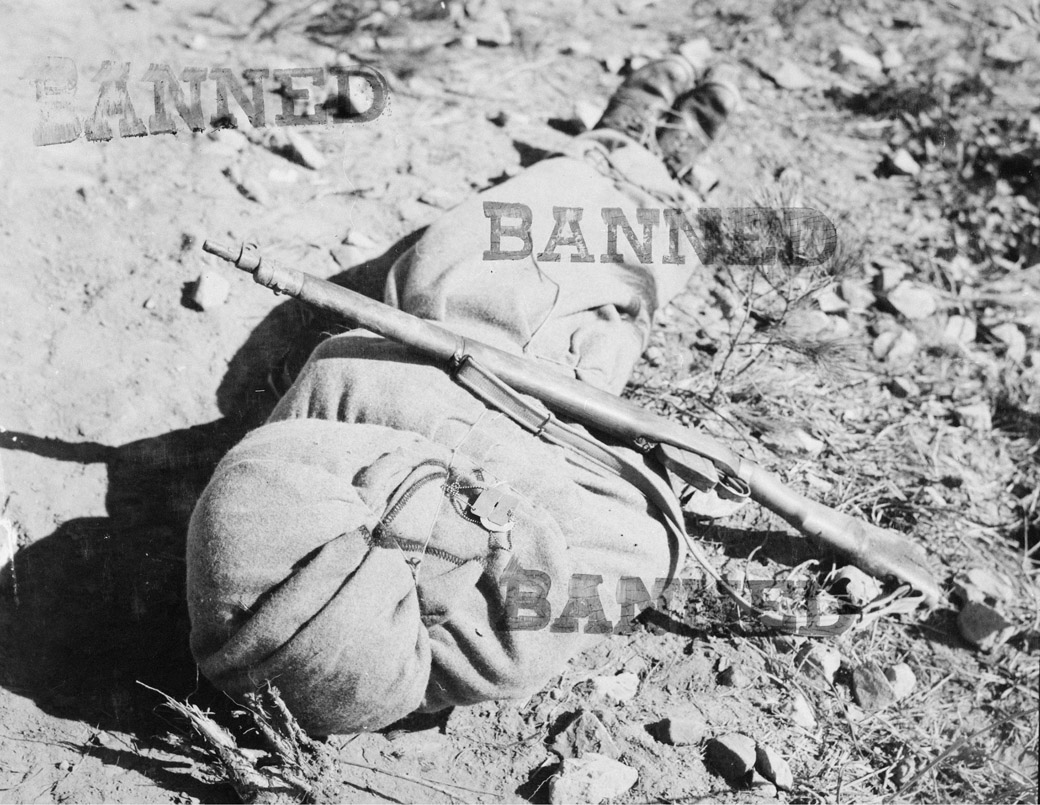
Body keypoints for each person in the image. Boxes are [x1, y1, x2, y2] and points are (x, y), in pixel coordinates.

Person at [186, 53, 741, 735]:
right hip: (571, 359)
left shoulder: (291, 471)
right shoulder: (503, 631)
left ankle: (635, 118)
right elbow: (641, 542)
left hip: (463, 299)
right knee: (634, 248)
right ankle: (665, 140)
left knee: (548, 202)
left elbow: (333, 376)